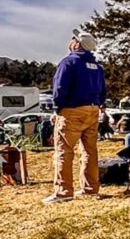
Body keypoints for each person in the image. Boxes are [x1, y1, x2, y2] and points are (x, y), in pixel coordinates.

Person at [44, 28, 107, 204]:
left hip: (72, 110)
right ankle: (90, 188)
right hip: (93, 110)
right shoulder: (97, 67)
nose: (70, 41)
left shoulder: (68, 62)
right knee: (89, 150)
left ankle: (63, 192)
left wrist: (57, 109)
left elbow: (59, 89)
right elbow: (103, 91)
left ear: (77, 44)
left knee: (64, 150)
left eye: (73, 39)